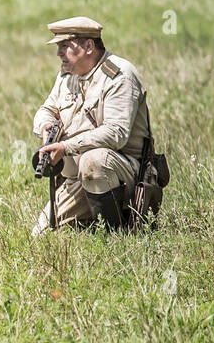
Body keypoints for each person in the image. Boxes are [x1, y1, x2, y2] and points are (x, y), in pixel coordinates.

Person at [31, 16, 153, 234]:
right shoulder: (67, 75)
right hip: (78, 176)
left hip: (124, 171)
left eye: (65, 46)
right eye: (59, 47)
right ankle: (93, 220)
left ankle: (117, 233)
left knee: (93, 160)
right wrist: (45, 125)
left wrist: (66, 148)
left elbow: (117, 133)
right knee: (41, 234)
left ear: (89, 46)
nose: (59, 53)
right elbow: (47, 109)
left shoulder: (119, 75)